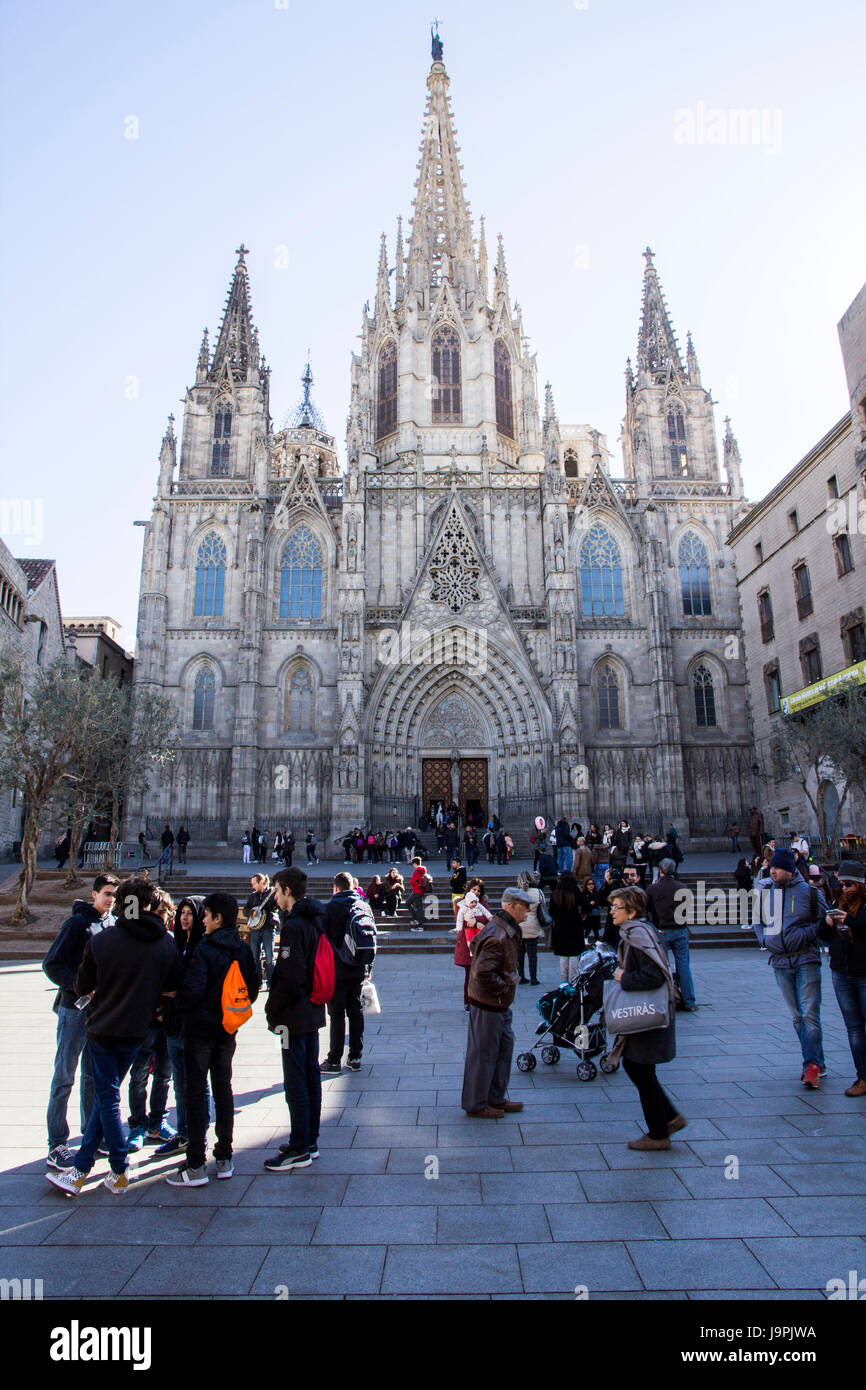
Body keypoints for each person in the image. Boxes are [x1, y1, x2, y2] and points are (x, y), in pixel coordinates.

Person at [46, 875, 183, 1196]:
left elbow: (81, 986)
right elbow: (173, 987)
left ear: (123, 904)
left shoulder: (103, 941)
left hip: (104, 1029)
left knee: (106, 1097)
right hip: (137, 1030)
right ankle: (80, 1168)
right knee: (105, 1096)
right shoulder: (166, 943)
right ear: (150, 905)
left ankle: (119, 1169)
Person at [165, 891, 259, 1186]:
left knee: (195, 1093)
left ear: (218, 919)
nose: (202, 920)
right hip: (227, 1029)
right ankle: (224, 1157)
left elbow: (192, 990)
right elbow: (253, 987)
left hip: (200, 1030)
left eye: (205, 915)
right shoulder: (242, 949)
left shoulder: (204, 949)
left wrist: (183, 1005)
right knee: (223, 1090)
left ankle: (195, 1163)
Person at [42, 874, 118, 1170]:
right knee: (65, 1075)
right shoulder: (77, 924)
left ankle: (91, 1134)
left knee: (92, 1075)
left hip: (100, 1011)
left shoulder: (112, 925)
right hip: (74, 1010)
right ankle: (57, 1143)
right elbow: (51, 963)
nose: (111, 899)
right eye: (107, 894)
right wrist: (79, 986)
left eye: (114, 895)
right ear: (94, 894)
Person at [606, 885, 683, 1151]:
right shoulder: (638, 932)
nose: (611, 911)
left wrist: (622, 977)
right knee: (639, 1068)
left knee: (638, 1067)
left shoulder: (637, 935)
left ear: (633, 911)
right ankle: (668, 1119)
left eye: (617, 906)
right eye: (612, 906)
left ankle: (659, 1132)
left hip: (647, 1013)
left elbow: (652, 976)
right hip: (647, 1012)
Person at [264, 867, 327, 1170]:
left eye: (276, 890)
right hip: (313, 1011)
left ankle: (299, 1146)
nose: (274, 896)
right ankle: (309, 1139)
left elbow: (289, 976)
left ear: (287, 891)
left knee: (295, 1081)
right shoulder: (316, 920)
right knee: (310, 1075)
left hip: (294, 1015)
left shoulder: (294, 926)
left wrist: (272, 1011)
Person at [760, 848, 829, 1089]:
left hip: (805, 958)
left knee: (810, 1014)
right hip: (780, 961)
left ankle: (811, 1065)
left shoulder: (809, 893)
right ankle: (815, 1062)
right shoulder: (767, 892)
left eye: (776, 867)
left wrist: (805, 934)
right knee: (798, 1017)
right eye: (771, 867)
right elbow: (759, 920)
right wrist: (765, 940)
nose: (772, 870)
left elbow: (824, 920)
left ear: (789, 870)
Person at [461, 887, 533, 1117]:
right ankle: (477, 1103)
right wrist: (505, 986)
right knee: (484, 1053)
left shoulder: (503, 928)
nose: (528, 912)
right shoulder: (498, 933)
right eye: (524, 907)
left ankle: (495, 1098)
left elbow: (475, 946)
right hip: (489, 1002)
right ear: (510, 906)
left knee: (502, 1050)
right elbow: (483, 971)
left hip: (498, 1003)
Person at [126, 887, 178, 1152]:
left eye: (166, 912)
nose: (162, 916)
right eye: (158, 911)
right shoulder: (139, 939)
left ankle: (158, 1120)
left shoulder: (171, 940)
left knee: (164, 1074)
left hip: (166, 1019)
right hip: (145, 1018)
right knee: (138, 1074)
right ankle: (137, 1124)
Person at [158, 895, 207, 1157]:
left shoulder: (203, 946)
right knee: (179, 1080)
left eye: (190, 912)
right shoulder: (174, 944)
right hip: (173, 1022)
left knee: (196, 1081)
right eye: (182, 912)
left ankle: (199, 1132)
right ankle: (185, 1131)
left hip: (194, 1024)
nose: (185, 917)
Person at [818, 860, 866, 1097]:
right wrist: (827, 923)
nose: (844, 889)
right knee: (854, 1028)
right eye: (841, 884)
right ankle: (863, 1076)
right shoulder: (837, 902)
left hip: (863, 971)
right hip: (841, 971)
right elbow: (823, 936)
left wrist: (848, 920)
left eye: (848, 884)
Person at [321, 871, 377, 1073]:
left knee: (336, 1013)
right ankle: (355, 1057)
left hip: (336, 969)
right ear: (353, 886)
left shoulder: (329, 908)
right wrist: (368, 966)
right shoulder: (364, 906)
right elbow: (371, 938)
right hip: (358, 968)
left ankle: (334, 1060)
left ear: (335, 887)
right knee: (356, 1011)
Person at [646, 858, 697, 1011]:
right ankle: (689, 1001)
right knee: (683, 966)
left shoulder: (653, 889)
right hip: (680, 929)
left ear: (660, 871)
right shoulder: (682, 887)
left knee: (663, 966)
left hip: (661, 930)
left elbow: (646, 907)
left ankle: (666, 1000)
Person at [454, 882, 493, 1009]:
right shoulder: (460, 903)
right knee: (470, 974)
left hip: (482, 942)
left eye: (479, 890)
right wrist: (476, 923)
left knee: (483, 973)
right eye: (474, 889)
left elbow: (488, 920)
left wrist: (475, 922)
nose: (476, 892)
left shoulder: (483, 904)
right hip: (467, 943)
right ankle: (468, 1001)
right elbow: (460, 921)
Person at [549, 871, 585, 983]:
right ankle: (573, 981)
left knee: (563, 956)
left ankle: (564, 981)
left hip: (560, 927)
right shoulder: (576, 890)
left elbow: (551, 911)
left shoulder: (556, 892)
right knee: (574, 955)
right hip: (575, 926)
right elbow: (586, 906)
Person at [244, 873, 277, 990]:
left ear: (261, 882)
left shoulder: (272, 894)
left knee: (269, 956)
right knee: (255, 956)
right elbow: (245, 911)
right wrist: (251, 912)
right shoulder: (253, 896)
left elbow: (276, 907)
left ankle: (270, 983)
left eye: (254, 884)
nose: (253, 887)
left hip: (268, 927)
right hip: (256, 929)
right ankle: (258, 983)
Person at [516, 870, 543, 986]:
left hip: (519, 926)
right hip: (533, 924)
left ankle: (521, 976)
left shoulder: (516, 893)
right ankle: (533, 978)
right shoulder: (538, 892)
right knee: (532, 953)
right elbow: (542, 907)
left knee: (519, 953)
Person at [407, 856, 428, 933]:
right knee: (418, 907)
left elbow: (411, 882)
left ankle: (420, 924)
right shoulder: (423, 870)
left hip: (416, 891)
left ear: (415, 864)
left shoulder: (417, 871)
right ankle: (418, 919)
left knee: (410, 904)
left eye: (413, 864)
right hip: (420, 891)